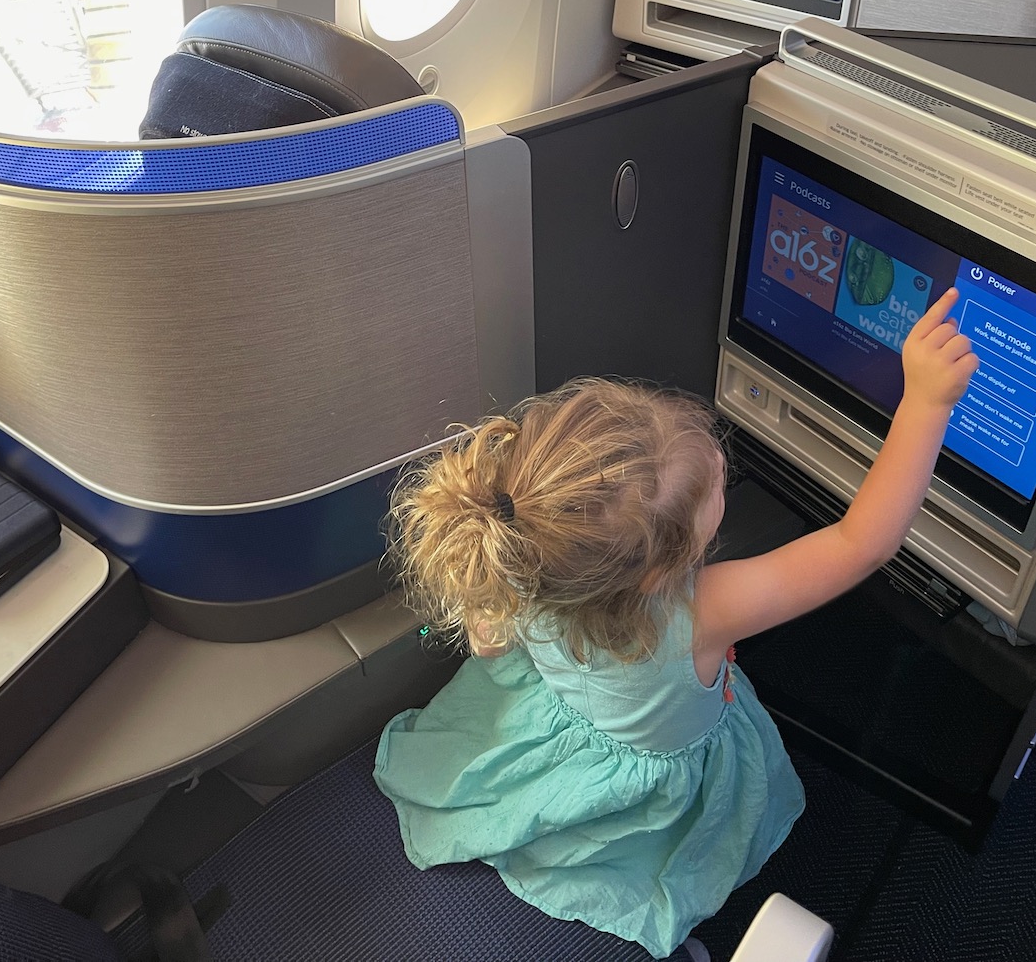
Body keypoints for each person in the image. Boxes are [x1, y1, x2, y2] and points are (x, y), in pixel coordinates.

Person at [373, 289, 978, 958]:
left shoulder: (522, 554)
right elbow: (860, 543)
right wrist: (927, 402)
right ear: (660, 572)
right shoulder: (704, 610)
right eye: (713, 488)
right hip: (659, 776)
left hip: (566, 731)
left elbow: (489, 643)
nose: (721, 466)